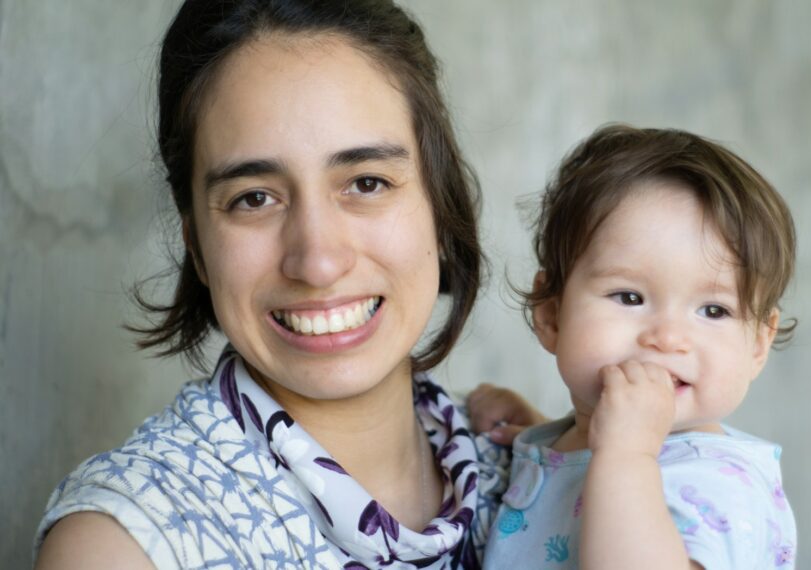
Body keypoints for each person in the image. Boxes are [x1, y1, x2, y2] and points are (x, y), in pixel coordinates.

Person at [34, 1, 519, 568]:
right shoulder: (123, 545)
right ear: (197, 244)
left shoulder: (537, 472)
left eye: (366, 182)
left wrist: (571, 471)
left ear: (439, 201)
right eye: (254, 198)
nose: (317, 262)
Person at [478, 124, 798, 569]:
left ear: (759, 344)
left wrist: (627, 455)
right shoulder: (589, 442)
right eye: (630, 297)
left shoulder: (717, 485)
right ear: (551, 315)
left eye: (713, 310)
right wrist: (544, 436)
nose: (667, 339)